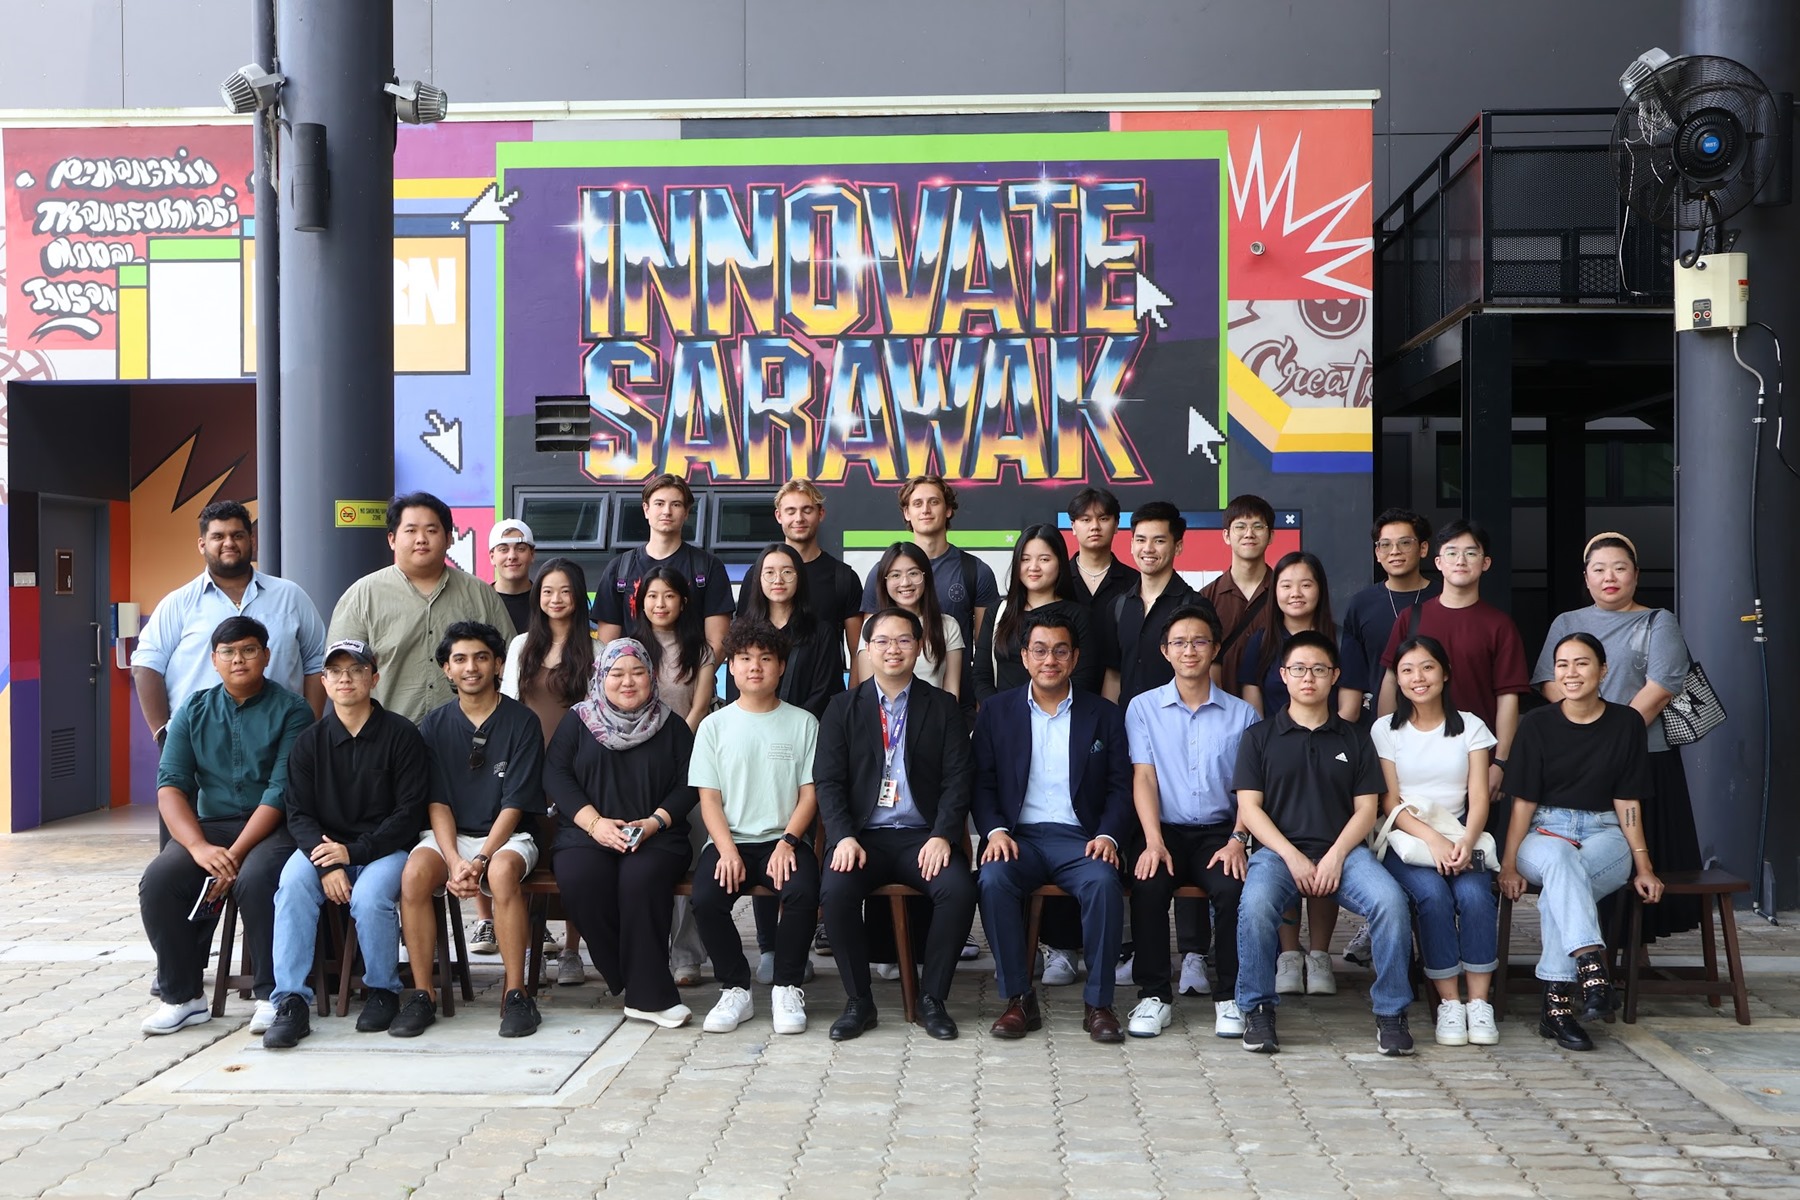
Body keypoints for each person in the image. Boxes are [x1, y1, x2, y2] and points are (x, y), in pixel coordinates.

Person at [1232, 631, 1416, 1056]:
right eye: (1298, 669)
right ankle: (1258, 1010)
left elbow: (1367, 809)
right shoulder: (1259, 737)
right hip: (1279, 854)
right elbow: (1251, 809)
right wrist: (1293, 857)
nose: (1308, 678)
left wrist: (1335, 856)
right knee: (1256, 905)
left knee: (1390, 902)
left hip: (1346, 852)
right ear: (1284, 676)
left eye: (1319, 669)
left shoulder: (1354, 737)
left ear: (1334, 676)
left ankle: (1391, 1013)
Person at [136, 616, 312, 1037]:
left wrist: (233, 856)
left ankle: (273, 996)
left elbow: (279, 791)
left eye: (249, 650)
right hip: (211, 828)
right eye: (228, 652)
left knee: (255, 878)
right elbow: (170, 787)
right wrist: (198, 848)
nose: (239, 659)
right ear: (213, 659)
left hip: (274, 827)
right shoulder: (192, 711)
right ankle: (184, 998)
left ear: (266, 656)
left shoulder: (293, 710)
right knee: (159, 880)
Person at [815, 607, 976, 1042]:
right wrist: (843, 835)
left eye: (904, 640)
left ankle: (932, 999)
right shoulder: (841, 708)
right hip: (863, 837)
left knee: (959, 890)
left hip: (921, 836)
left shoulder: (942, 707)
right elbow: (828, 781)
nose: (893, 649)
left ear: (920, 646)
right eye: (882, 641)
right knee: (835, 891)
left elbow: (958, 779)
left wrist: (943, 834)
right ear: (866, 649)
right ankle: (859, 1001)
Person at [1531, 532, 1701, 944]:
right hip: (1577, 763)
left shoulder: (1658, 620)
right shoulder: (1567, 623)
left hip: (1645, 757)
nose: (1610, 577)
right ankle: (1592, 947)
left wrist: (1607, 737)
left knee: (1639, 858)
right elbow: (1548, 681)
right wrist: (1584, 732)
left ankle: (1631, 953)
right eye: (1599, 569)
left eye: (1620, 568)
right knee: (1586, 859)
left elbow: (1660, 687)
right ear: (1586, 578)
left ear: (1636, 575)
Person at [260, 639, 429, 1048]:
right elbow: (297, 812)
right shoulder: (310, 742)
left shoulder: (402, 736)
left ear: (374, 677)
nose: (345, 679)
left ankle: (383, 991)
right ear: (324, 681)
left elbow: (409, 812)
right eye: (335, 672)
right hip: (324, 850)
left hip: (384, 850)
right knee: (293, 888)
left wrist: (352, 853)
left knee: (371, 897)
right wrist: (328, 863)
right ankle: (291, 1003)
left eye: (355, 669)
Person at [973, 610, 1133, 1044]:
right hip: (1017, 838)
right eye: (1040, 650)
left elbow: (1122, 786)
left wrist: (1106, 835)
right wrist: (995, 831)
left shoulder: (1103, 714)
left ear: (1075, 657)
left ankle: (1098, 1003)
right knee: (992, 880)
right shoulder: (996, 712)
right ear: (1024, 657)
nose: (1050, 660)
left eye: (1060, 651)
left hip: (1080, 840)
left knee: (1103, 882)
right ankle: (1018, 1000)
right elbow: (982, 783)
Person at [1500, 632, 1664, 1052]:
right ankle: (1591, 969)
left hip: (1605, 832)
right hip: (1544, 831)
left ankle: (1557, 1009)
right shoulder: (1536, 723)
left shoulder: (1626, 723)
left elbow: (1627, 801)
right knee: (1558, 860)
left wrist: (1643, 866)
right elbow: (1523, 803)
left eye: (1582, 663)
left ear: (1602, 670)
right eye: (1562, 665)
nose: (1571, 673)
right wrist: (1509, 864)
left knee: (1562, 884)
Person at [394, 622, 547, 1039]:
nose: (471, 667)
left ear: (498, 663)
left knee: (499, 873)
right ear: (446, 669)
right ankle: (422, 994)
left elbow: (515, 804)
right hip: (451, 836)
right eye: (459, 659)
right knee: (414, 875)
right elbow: (437, 802)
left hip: (508, 836)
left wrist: (480, 859)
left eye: (481, 657)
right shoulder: (434, 725)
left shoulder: (522, 722)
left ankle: (516, 994)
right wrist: (457, 859)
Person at [545, 639, 699, 1028]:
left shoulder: (672, 725)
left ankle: (649, 997)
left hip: (656, 835)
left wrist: (654, 822)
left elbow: (690, 784)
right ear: (601, 677)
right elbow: (556, 776)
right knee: (582, 880)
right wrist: (595, 824)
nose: (627, 682)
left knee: (640, 880)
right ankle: (632, 978)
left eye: (637, 672)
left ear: (651, 676)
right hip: (588, 832)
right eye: (617, 673)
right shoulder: (578, 721)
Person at [1124, 604, 1259, 1039]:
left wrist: (1238, 839)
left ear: (1215, 648)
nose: (1189, 650)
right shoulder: (1143, 708)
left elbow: (1249, 789)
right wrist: (1151, 840)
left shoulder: (1242, 715)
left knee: (1232, 888)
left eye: (1199, 641)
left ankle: (1229, 996)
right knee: (1147, 883)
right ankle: (1155, 995)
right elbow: (1143, 775)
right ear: (1165, 651)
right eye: (1179, 642)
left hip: (1220, 834)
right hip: (1162, 830)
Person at [689, 620, 822, 1035]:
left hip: (784, 839)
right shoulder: (714, 726)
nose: (755, 667)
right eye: (745, 659)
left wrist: (789, 841)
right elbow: (708, 798)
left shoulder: (803, 723)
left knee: (802, 890)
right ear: (731, 666)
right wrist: (726, 849)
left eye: (766, 659)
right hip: (731, 840)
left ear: (781, 666)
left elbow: (810, 792)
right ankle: (735, 989)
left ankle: (786, 985)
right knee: (706, 898)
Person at [1238, 550, 1358, 996]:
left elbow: (1349, 701)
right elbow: (1252, 702)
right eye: (1286, 584)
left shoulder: (1341, 638)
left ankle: (1320, 953)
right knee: (1284, 851)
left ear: (1319, 590)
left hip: (1331, 752)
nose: (1295, 593)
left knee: (1326, 849)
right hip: (1276, 757)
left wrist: (1329, 735)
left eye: (1305, 584)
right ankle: (1289, 954)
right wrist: (1270, 746)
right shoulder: (1261, 641)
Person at [1373, 635, 1499, 1048]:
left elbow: (1480, 796)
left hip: (1462, 831)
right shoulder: (1385, 730)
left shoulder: (1471, 726)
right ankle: (1449, 1002)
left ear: (1444, 673)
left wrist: (1466, 838)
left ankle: (1479, 1003)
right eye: (1407, 670)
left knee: (1477, 897)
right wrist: (1433, 840)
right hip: (1407, 836)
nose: (1417, 678)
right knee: (1432, 897)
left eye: (1427, 667)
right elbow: (1389, 800)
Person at [132, 499, 326, 747]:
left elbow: (316, 662)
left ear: (251, 541)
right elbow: (145, 666)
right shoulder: (178, 603)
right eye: (218, 536)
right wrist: (163, 735)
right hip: (201, 744)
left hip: (280, 741)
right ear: (202, 545)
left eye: (237, 535)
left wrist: (307, 728)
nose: (229, 543)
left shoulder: (291, 596)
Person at [1377, 519, 1529, 827]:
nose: (1461, 560)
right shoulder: (1412, 618)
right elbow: (1392, 682)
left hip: (1474, 760)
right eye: (1451, 552)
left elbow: (1508, 697)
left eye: (1471, 553)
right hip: (1412, 762)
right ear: (1437, 562)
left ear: (1485, 563)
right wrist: (1384, 750)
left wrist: (1499, 762)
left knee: (1472, 852)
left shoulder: (1499, 625)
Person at [327, 492, 514, 723]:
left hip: (469, 735)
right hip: (388, 738)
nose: (421, 539)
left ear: (448, 539)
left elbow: (511, 666)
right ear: (392, 539)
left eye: (431, 530)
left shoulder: (480, 594)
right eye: (411, 530)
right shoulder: (362, 596)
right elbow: (340, 671)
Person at [501, 558, 596, 986]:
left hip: (578, 768)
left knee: (574, 860)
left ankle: (572, 951)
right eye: (547, 592)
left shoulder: (594, 648)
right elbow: (508, 706)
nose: (555, 600)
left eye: (564, 591)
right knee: (526, 860)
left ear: (578, 597)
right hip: (528, 766)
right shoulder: (522, 645)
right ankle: (529, 952)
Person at [631, 566, 717, 987]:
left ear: (683, 601)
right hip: (635, 767)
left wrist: (674, 747)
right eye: (652, 596)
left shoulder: (699, 649)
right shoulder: (627, 649)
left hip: (690, 762)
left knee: (693, 856)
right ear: (640, 601)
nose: (659, 604)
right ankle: (645, 951)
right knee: (644, 861)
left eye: (668, 596)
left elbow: (698, 709)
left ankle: (687, 955)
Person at [858, 474, 998, 703]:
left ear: (948, 509)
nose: (926, 510)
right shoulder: (881, 573)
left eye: (934, 502)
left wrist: (984, 705)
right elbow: (867, 647)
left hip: (957, 702)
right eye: (917, 503)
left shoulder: (976, 571)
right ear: (906, 513)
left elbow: (986, 651)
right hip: (886, 708)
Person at [594, 473, 735, 657]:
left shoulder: (708, 567)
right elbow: (608, 648)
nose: (667, 511)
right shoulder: (619, 569)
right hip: (634, 682)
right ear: (646, 509)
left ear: (686, 512)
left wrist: (696, 683)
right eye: (659, 504)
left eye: (675, 504)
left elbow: (717, 643)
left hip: (693, 680)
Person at [973, 523, 1101, 701]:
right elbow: (981, 675)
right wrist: (999, 714)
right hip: (1004, 720)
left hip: (1058, 720)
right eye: (1025, 559)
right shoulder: (999, 612)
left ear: (1060, 563)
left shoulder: (1078, 616)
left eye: (1044, 559)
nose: (1033, 567)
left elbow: (1085, 680)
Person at [1339, 508, 1438, 722]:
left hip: (1441, 724)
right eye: (1385, 545)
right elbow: (1352, 679)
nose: (1394, 551)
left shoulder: (1444, 598)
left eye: (1404, 542)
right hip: (1381, 725)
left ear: (1423, 548)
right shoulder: (1361, 604)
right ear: (1377, 553)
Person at [1098, 500, 1199, 705]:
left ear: (1177, 546)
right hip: (1126, 728)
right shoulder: (1118, 607)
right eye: (1141, 540)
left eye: (1159, 541)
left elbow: (1207, 676)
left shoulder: (1194, 606)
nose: (1148, 549)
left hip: (1176, 728)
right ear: (1132, 544)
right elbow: (1113, 676)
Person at [758, 478, 866, 666]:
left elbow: (857, 654)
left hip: (827, 691)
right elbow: (741, 646)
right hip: (766, 692)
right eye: (790, 511)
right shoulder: (758, 575)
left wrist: (854, 696)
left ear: (820, 513)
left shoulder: (844, 578)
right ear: (778, 516)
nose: (799, 518)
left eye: (807, 510)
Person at [734, 542, 845, 717]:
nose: (778, 580)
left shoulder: (821, 632)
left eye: (787, 572)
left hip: (805, 731)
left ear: (799, 577)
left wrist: (792, 724)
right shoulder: (744, 632)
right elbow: (736, 687)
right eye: (769, 573)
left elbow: (825, 691)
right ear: (758, 579)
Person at [856, 542, 963, 696]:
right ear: (884, 581)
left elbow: (952, 692)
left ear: (925, 576)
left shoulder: (948, 626)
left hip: (934, 717)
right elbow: (866, 691)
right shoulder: (872, 626)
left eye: (913, 573)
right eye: (895, 575)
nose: (905, 582)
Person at [1198, 494, 1276, 699]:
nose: (1249, 534)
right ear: (1226, 535)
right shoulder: (1205, 598)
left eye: (1258, 526)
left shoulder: (1285, 593)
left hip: (1278, 716)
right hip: (1221, 713)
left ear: (1271, 536)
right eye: (1240, 526)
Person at [1065, 487, 1139, 612]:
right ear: (1073, 526)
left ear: (1116, 525)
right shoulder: (1059, 578)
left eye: (1103, 519)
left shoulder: (1135, 582)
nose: (1095, 527)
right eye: (1086, 520)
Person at [488, 518, 537, 638]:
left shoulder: (547, 601)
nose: (512, 556)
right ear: (492, 557)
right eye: (503, 549)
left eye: (520, 548)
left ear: (532, 555)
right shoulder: (481, 601)